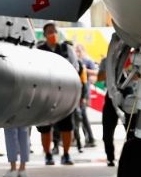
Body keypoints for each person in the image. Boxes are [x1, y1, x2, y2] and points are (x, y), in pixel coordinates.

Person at [37, 22, 79, 165]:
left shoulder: (66, 49)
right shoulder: (39, 50)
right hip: (46, 96)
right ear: (44, 35)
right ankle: (48, 154)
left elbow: (76, 69)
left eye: (54, 31)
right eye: (49, 31)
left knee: (67, 126)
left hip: (65, 95)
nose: (52, 34)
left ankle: (66, 154)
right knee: (44, 127)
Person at [74, 44, 98, 150]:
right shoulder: (75, 61)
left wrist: (85, 70)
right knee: (81, 116)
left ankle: (90, 138)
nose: (78, 52)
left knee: (83, 116)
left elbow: (95, 73)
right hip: (77, 92)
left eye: (79, 50)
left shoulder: (87, 61)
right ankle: (87, 138)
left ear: (83, 50)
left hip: (84, 92)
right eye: (76, 50)